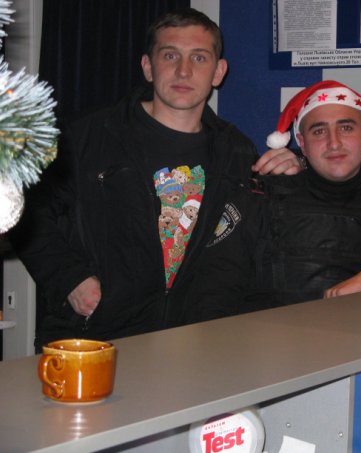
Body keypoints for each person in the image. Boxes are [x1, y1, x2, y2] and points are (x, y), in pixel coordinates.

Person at [8, 8, 301, 350]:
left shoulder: (236, 150)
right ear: (148, 67)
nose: (183, 70)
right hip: (96, 340)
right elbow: (22, 211)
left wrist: (294, 176)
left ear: (218, 72)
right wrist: (68, 278)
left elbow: (259, 244)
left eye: (199, 57)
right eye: (170, 55)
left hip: (193, 345)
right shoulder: (88, 137)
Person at [192, 80, 361, 316]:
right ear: (302, 143)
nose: (334, 143)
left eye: (346, 128)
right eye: (319, 131)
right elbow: (210, 297)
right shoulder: (258, 199)